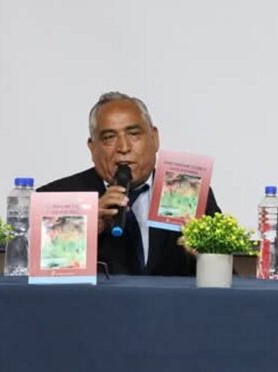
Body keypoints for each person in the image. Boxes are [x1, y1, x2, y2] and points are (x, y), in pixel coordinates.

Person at [38, 92, 221, 275]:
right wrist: (81, 229)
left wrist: (206, 257)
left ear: (154, 138)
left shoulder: (189, 193)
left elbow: (226, 282)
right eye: (109, 137)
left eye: (134, 134)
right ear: (92, 148)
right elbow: (39, 292)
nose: (123, 148)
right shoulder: (57, 198)